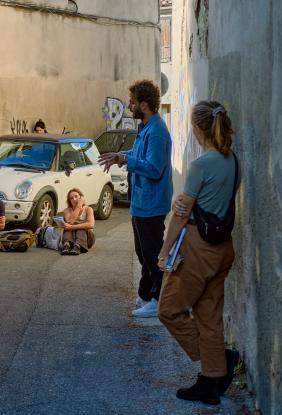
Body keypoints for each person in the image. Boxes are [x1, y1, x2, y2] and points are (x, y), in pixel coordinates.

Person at [156, 101, 240, 405]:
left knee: (169, 310)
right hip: (222, 250)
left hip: (197, 250)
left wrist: (164, 253)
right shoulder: (233, 161)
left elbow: (181, 216)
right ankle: (211, 380)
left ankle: (219, 361)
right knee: (209, 317)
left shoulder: (201, 165)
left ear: (196, 129)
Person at [97, 80, 173, 318]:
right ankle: (147, 294)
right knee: (143, 253)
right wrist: (122, 155)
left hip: (151, 203)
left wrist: (127, 161)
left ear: (144, 104)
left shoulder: (157, 132)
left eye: (131, 102)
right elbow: (139, 155)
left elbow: (154, 168)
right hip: (141, 202)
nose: (129, 106)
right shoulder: (146, 128)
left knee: (152, 253)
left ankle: (159, 299)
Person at [60, 188, 95, 255]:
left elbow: (91, 225)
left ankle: (78, 246)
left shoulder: (88, 209)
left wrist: (79, 205)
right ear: (69, 201)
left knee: (81, 227)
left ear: (81, 197)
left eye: (76, 196)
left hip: (87, 238)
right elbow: (70, 222)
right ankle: (67, 245)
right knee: (68, 227)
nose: (74, 199)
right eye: (71, 198)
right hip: (71, 237)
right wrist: (78, 208)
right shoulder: (67, 210)